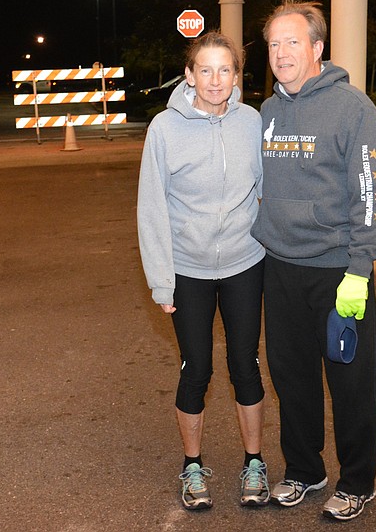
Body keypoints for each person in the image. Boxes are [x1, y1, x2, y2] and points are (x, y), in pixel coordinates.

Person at [250, 0, 376, 521]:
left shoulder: (353, 109)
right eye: (273, 44)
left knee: (350, 383)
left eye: (292, 42)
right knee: (292, 379)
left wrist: (359, 270)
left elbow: (372, 193)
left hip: (338, 271)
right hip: (281, 269)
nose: (282, 53)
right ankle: (304, 470)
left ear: (317, 48)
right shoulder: (267, 112)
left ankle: (358, 481)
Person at [137, 32, 268, 511]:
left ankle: (254, 461)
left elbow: (265, 190)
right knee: (197, 369)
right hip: (188, 269)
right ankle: (192, 466)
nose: (216, 80)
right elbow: (151, 207)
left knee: (245, 365)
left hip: (243, 263)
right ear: (189, 75)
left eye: (225, 70)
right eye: (205, 70)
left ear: (237, 75)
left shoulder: (251, 122)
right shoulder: (164, 129)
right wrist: (160, 278)